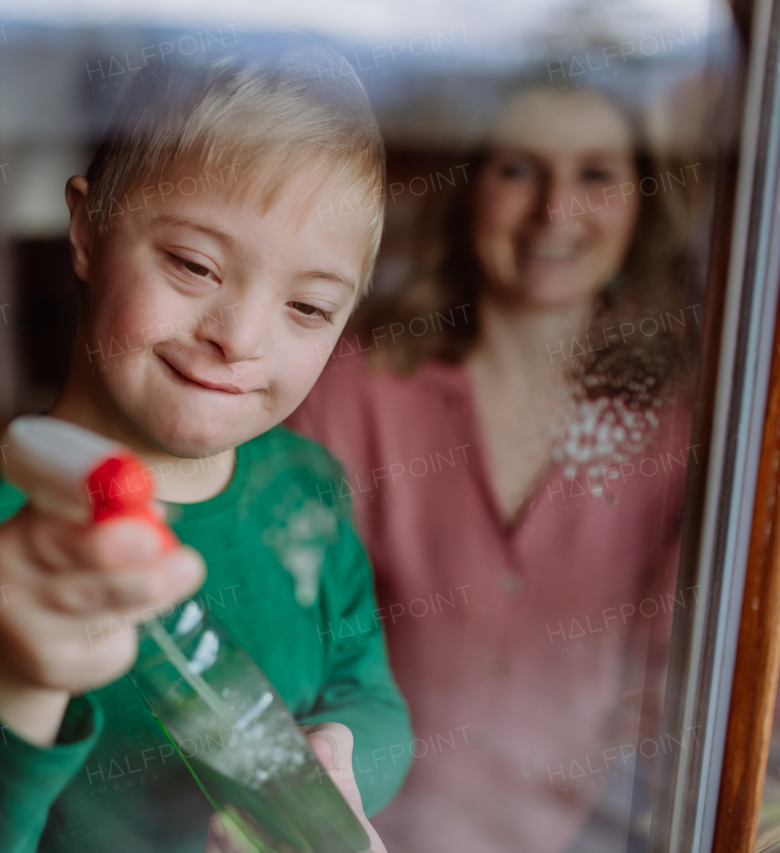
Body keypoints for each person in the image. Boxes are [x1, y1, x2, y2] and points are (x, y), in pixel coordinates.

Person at [0, 36, 411, 853]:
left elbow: (373, 699)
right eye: (192, 264)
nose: (239, 337)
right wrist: (5, 674)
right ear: (85, 228)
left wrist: (324, 771)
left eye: (310, 308)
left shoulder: (307, 483)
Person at [287, 81, 701, 853]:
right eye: (518, 168)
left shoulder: (676, 424)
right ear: (467, 185)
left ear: (644, 201)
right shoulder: (348, 388)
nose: (554, 209)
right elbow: (276, 637)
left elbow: (686, 682)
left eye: (596, 174)